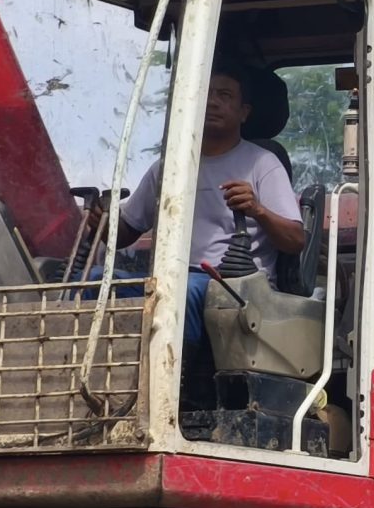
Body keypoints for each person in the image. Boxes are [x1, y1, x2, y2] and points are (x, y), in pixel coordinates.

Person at [98, 65, 307, 401]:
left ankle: (179, 394)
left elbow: (295, 240)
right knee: (96, 280)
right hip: (170, 279)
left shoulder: (262, 164)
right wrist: (101, 220)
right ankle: (101, 388)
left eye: (225, 96)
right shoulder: (169, 166)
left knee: (186, 291)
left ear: (244, 112)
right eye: (206, 95)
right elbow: (122, 234)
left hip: (235, 285)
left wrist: (259, 210)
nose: (213, 103)